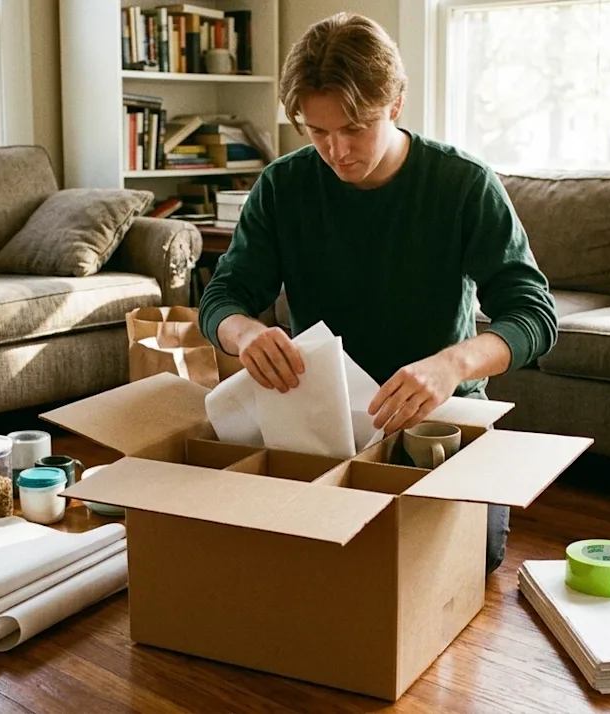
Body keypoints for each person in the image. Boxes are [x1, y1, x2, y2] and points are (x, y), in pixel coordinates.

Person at [196, 12, 557, 575]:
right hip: (323, 423)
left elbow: (533, 316)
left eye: (354, 127)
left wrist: (451, 364)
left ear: (395, 104)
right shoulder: (282, 186)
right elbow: (223, 296)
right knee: (299, 562)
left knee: (468, 560)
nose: (336, 150)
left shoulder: (463, 184)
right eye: (316, 132)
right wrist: (243, 332)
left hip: (439, 419)